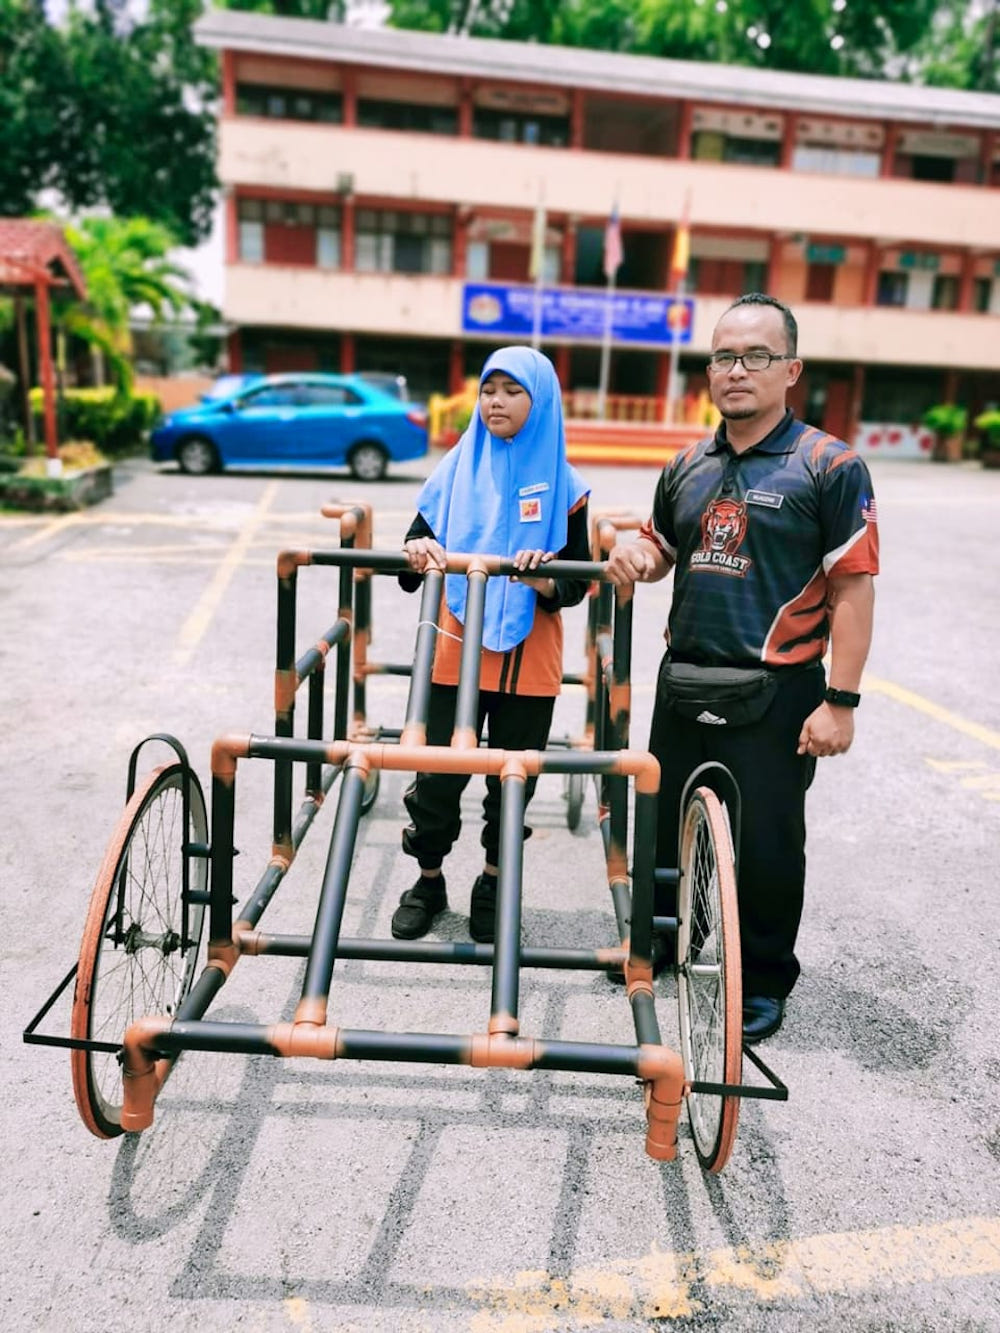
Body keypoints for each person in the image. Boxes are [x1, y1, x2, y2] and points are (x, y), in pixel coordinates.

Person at [606, 293, 879, 1043]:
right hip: (684, 678)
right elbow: (662, 548)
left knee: (764, 847)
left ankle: (760, 978)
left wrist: (842, 701)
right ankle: (662, 939)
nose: (736, 370)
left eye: (755, 356)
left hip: (777, 693)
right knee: (661, 830)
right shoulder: (688, 462)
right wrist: (637, 555)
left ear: (790, 369)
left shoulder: (828, 465)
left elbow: (854, 586)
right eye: (723, 355)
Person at [391, 346, 591, 944]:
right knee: (437, 779)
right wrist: (419, 552)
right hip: (453, 649)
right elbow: (410, 559)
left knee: (511, 781)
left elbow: (577, 583)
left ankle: (493, 879)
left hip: (529, 663)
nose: (495, 401)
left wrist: (544, 577)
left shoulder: (567, 485)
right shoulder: (453, 471)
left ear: (542, 401)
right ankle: (427, 880)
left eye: (511, 390)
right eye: (488, 390)